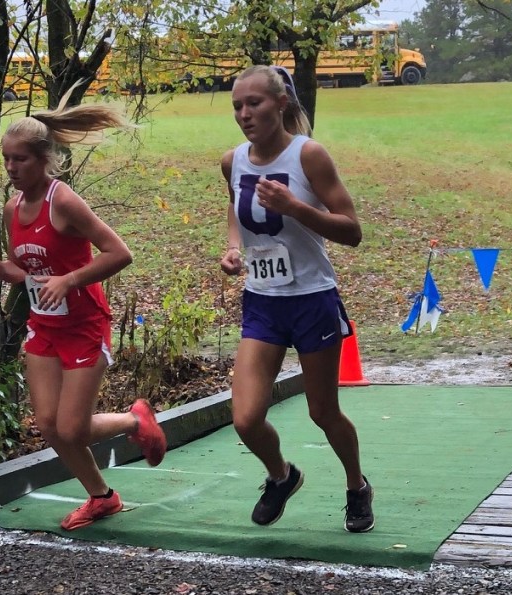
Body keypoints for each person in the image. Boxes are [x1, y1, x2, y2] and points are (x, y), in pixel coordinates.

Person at [0, 96, 167, 531]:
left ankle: (136, 420)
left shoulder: (62, 201)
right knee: (49, 425)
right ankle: (103, 498)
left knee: (73, 429)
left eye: (20, 159)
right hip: (45, 326)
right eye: (6, 159)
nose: (11, 168)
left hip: (84, 324)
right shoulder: (12, 209)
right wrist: (0, 271)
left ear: (44, 159)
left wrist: (70, 280)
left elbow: (119, 253)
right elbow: (27, 271)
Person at [218, 65, 374, 533]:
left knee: (322, 411)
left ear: (281, 103)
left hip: (311, 299)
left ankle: (356, 486)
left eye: (255, 103)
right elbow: (234, 206)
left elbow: (352, 231)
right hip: (262, 301)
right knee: (246, 419)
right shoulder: (232, 160)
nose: (244, 114)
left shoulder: (309, 155)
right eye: (237, 106)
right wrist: (233, 246)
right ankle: (281, 476)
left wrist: (296, 208)